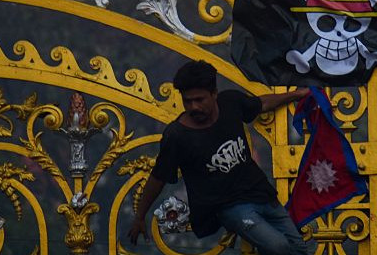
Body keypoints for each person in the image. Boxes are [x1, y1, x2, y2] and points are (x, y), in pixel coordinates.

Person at [127, 60, 311, 254]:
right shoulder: (177, 135)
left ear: (214, 94)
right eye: (187, 101)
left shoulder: (230, 102)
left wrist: (296, 94)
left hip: (262, 194)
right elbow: (158, 177)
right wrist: (140, 215)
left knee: (298, 248)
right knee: (278, 247)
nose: (194, 107)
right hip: (231, 207)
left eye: (199, 99)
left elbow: (261, 103)